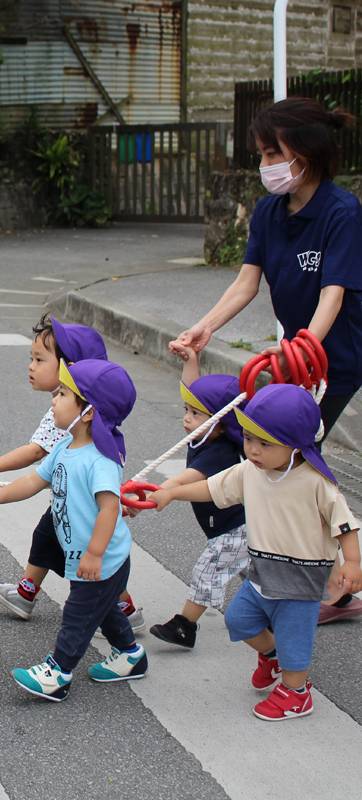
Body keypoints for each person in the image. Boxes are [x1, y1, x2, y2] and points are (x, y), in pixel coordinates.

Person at [170, 97, 362, 624]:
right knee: (283, 461)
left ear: (306, 151)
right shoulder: (269, 212)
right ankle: (309, 574)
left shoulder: (342, 211)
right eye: (260, 153)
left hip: (334, 362)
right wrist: (203, 328)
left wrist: (301, 349)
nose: (265, 164)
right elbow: (246, 282)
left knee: (299, 464)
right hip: (292, 362)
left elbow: (333, 295)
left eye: (273, 151)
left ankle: (328, 578)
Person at [149, 384, 362, 721]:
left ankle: (296, 694)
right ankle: (272, 656)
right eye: (248, 438)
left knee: (295, 638)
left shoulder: (317, 482)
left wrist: (352, 561)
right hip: (262, 569)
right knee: (239, 620)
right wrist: (170, 494)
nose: (253, 449)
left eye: (265, 443)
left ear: (295, 444)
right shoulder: (250, 471)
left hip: (300, 576)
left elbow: (344, 525)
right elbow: (212, 487)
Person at [0, 359, 147, 702]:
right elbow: (32, 481)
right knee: (105, 609)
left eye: (63, 393)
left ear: (87, 412)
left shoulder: (100, 459)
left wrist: (95, 553)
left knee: (78, 613)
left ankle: (58, 671)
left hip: (102, 558)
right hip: (87, 555)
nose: (54, 400)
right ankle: (130, 655)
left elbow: (110, 508)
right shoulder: (64, 447)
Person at [0, 314, 145, 634]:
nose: (31, 365)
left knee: (92, 561)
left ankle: (123, 611)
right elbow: (38, 471)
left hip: (81, 501)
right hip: (67, 496)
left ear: (69, 367)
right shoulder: (66, 406)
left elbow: (37, 451)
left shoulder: (73, 414)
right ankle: (26, 592)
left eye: (40, 359)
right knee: (47, 537)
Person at [143, 346, 248, 649]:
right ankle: (275, 607)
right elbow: (193, 391)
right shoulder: (204, 435)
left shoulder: (220, 452)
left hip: (235, 529)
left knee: (209, 570)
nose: (187, 418)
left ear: (222, 421)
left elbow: (188, 479)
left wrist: (165, 490)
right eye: (186, 410)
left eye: (195, 413)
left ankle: (185, 626)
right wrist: (192, 360)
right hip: (232, 526)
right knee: (259, 576)